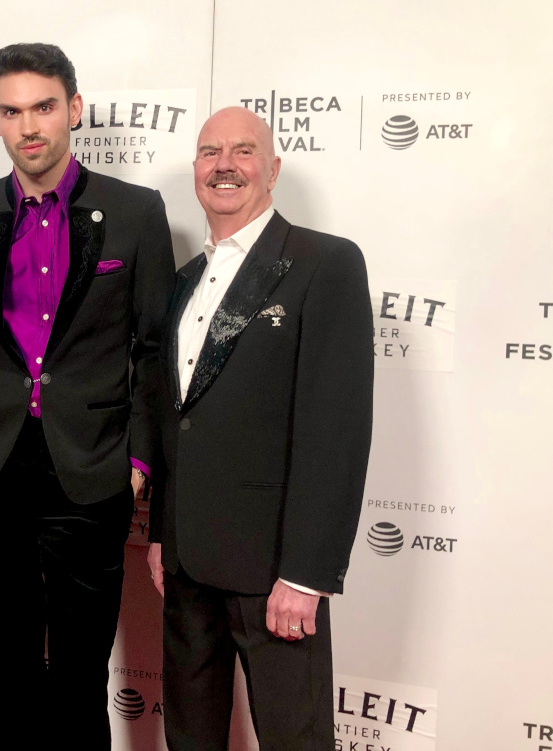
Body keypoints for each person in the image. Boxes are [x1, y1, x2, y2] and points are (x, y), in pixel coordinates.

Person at [0, 43, 174, 751]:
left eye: (43, 106)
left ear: (73, 109)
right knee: (4, 666)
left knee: (78, 671)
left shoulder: (134, 212)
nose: (28, 125)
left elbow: (154, 348)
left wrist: (139, 459)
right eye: (12, 111)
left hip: (92, 466)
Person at [147, 106, 374, 750]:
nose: (224, 164)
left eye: (242, 151)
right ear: (195, 170)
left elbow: (338, 429)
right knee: (191, 738)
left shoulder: (322, 263)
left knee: (294, 740)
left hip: (275, 567)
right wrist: (165, 531)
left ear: (272, 169)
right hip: (187, 562)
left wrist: (307, 573)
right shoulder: (185, 279)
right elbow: (177, 419)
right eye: (209, 151)